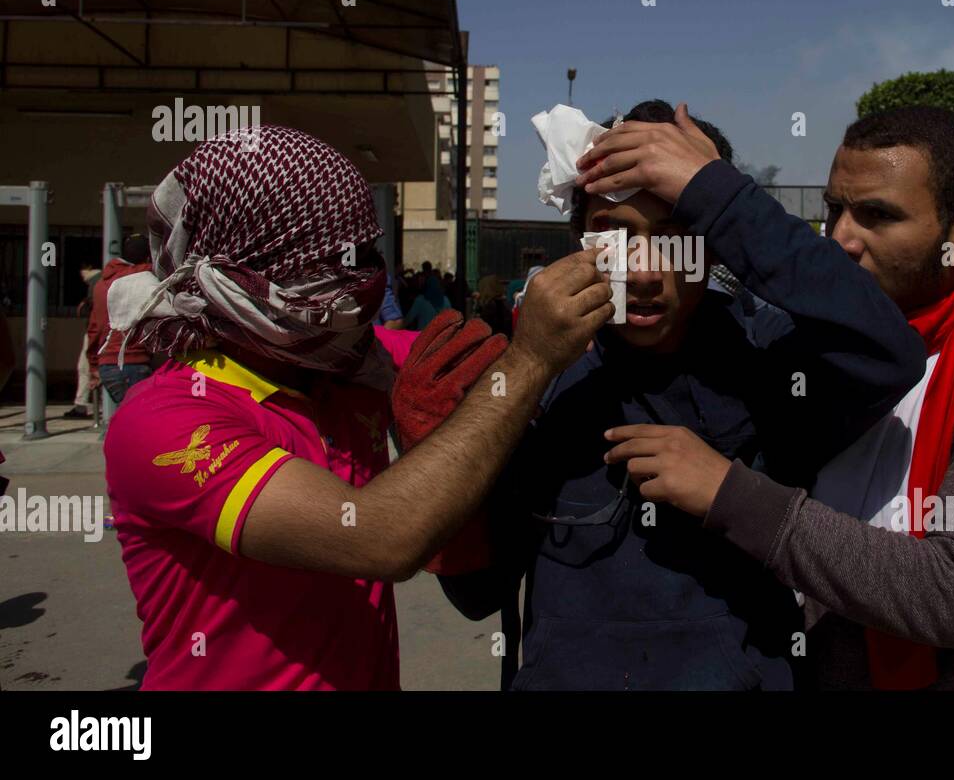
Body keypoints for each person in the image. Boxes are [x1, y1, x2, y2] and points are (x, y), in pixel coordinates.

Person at [572, 104, 954, 689]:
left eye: (877, 216)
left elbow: (950, 594)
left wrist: (731, 494)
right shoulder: (795, 345)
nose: (841, 238)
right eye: (833, 210)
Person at [435, 99, 925, 690]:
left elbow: (889, 354)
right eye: (613, 235)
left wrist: (721, 195)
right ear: (578, 241)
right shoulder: (537, 376)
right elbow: (477, 594)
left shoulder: (767, 364)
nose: (643, 271)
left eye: (675, 239)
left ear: (716, 245)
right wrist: (451, 465)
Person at [103, 125, 612, 690]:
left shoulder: (347, 364)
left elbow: (471, 365)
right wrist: (532, 359)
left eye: (369, 255)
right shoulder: (166, 421)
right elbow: (380, 537)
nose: (366, 281)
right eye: (336, 263)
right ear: (243, 278)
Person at [87, 234, 155, 405]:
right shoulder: (144, 277)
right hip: (135, 361)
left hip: (107, 365)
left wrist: (93, 364)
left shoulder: (101, 284)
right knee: (139, 420)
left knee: (128, 417)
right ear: (148, 256)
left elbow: (95, 327)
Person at [65, 261, 102, 419]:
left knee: (85, 367)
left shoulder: (95, 282)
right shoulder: (103, 280)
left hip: (96, 331)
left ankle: (81, 406)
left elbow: (94, 313)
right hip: (106, 332)